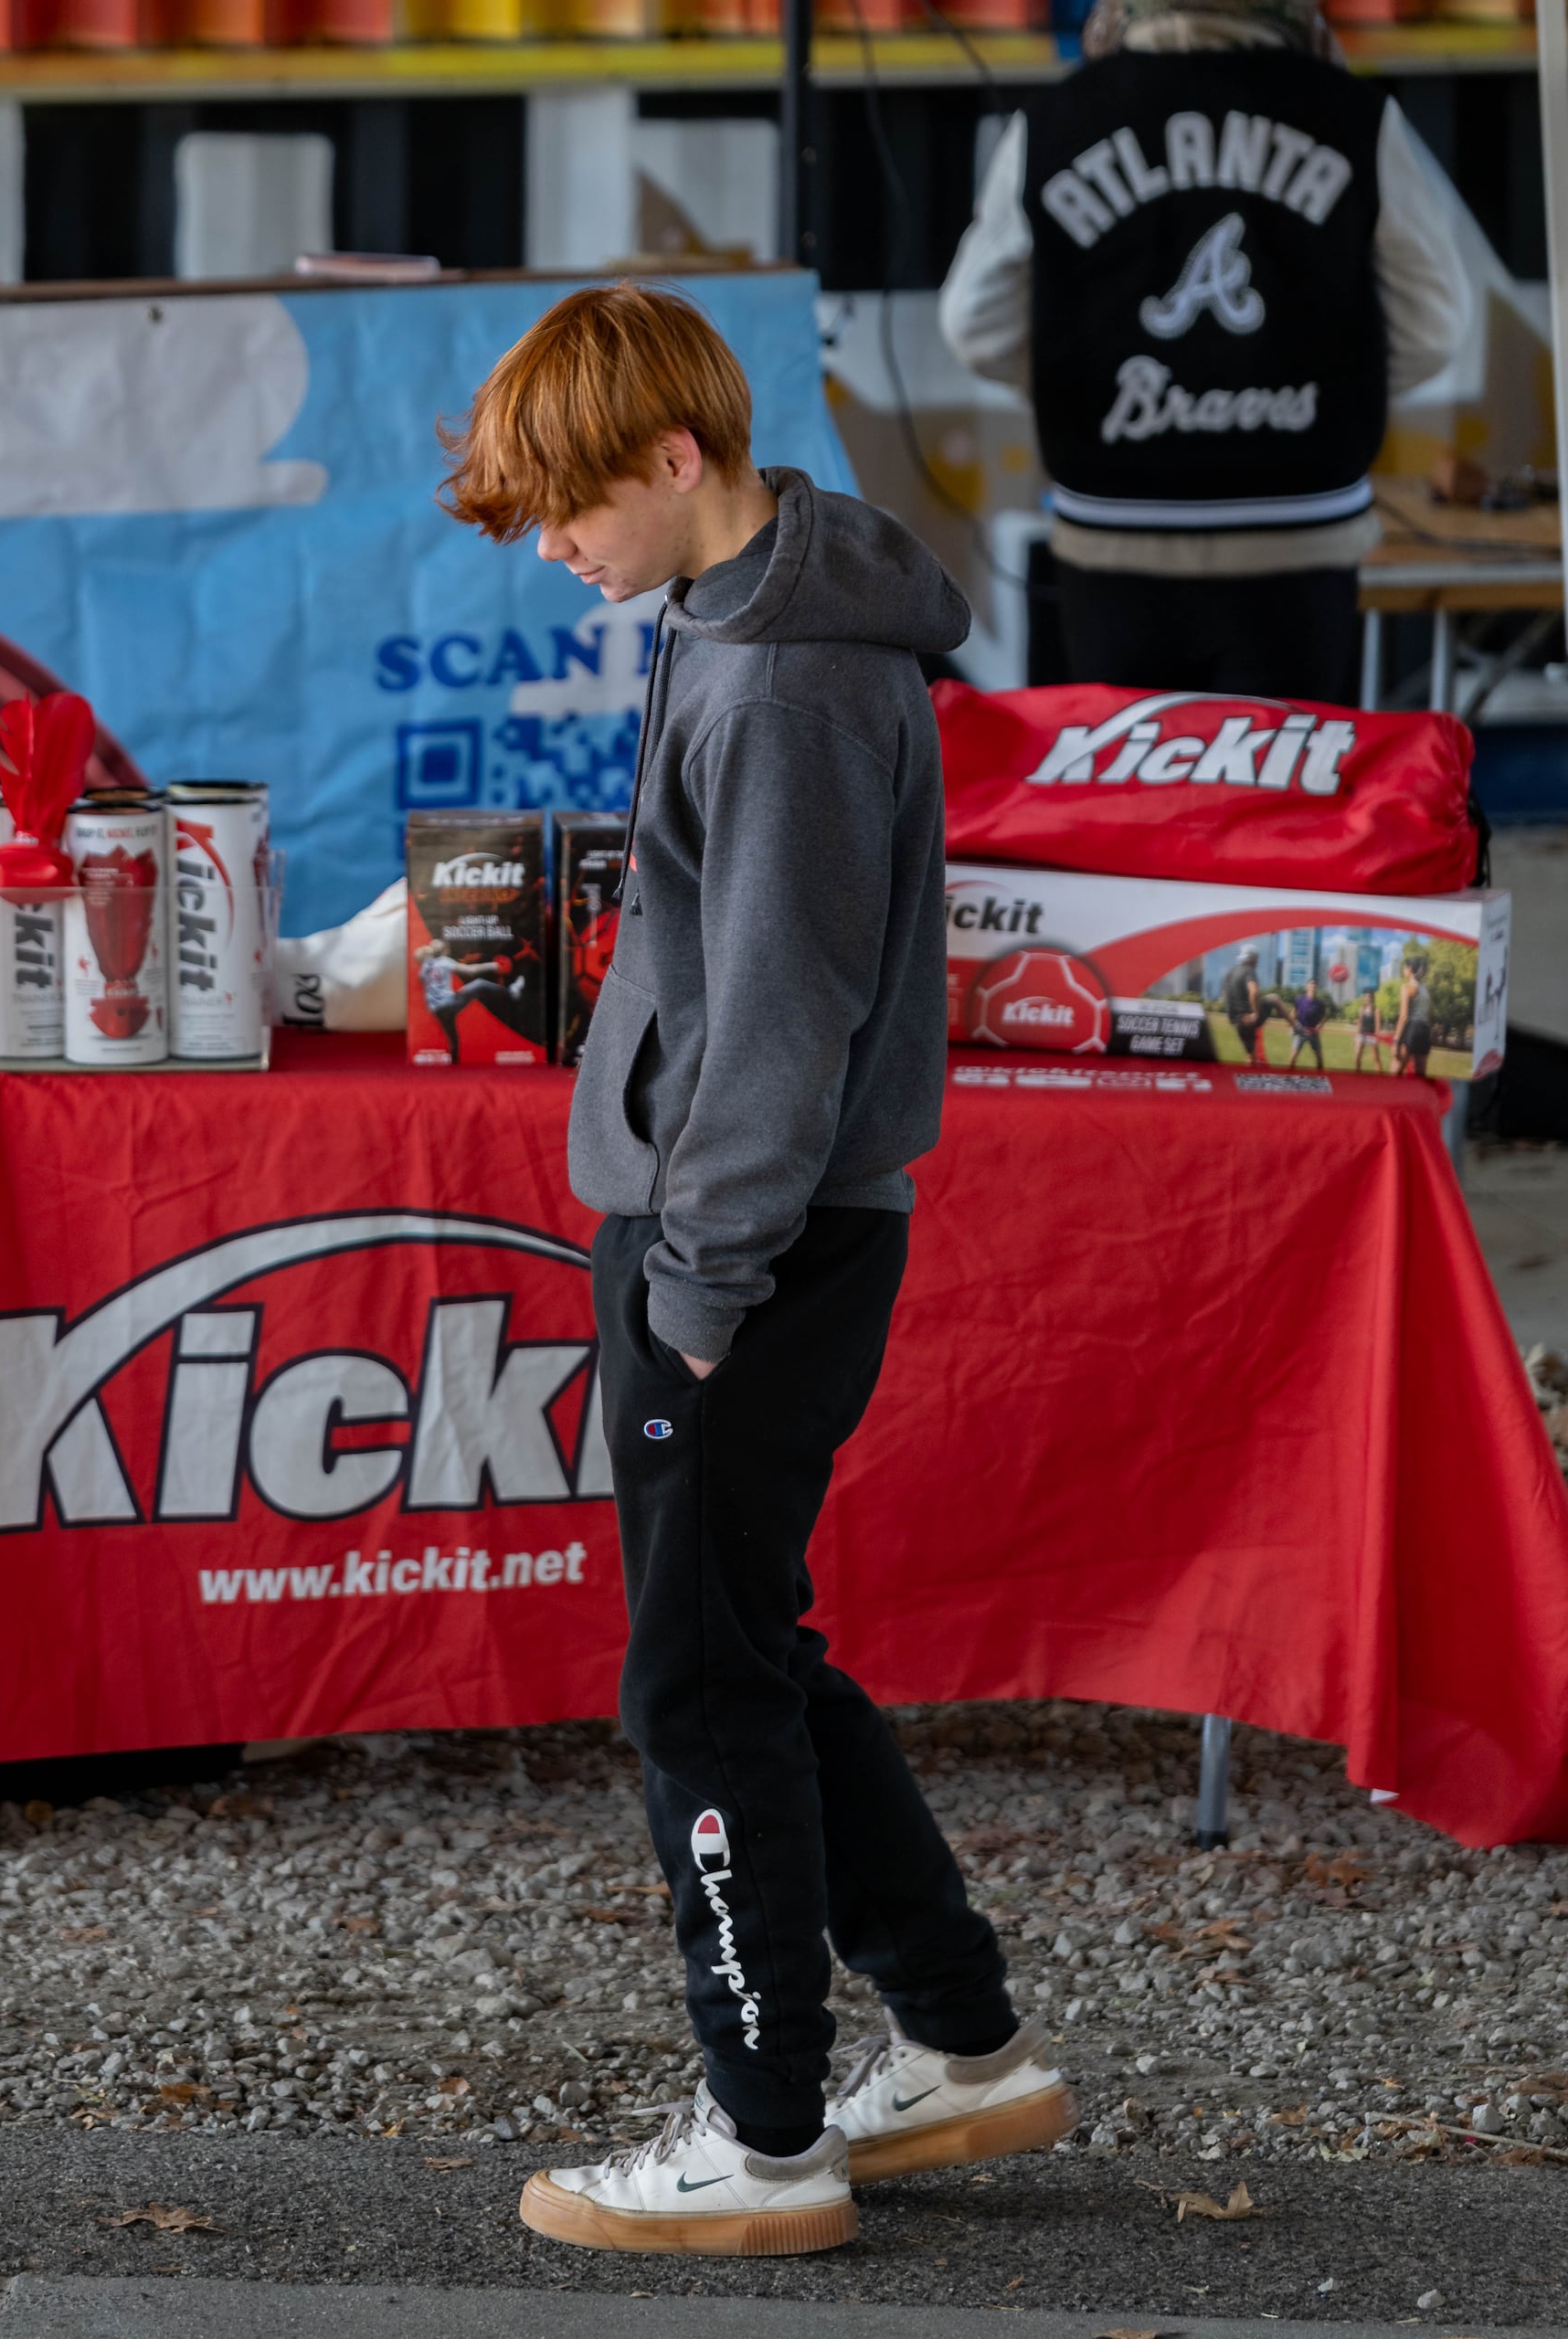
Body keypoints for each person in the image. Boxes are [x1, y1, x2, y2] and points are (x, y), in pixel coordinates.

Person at [440, 282, 1075, 2259]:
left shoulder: (785, 676)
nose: (554, 545)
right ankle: (963, 2045)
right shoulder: (732, 621)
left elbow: (786, 1021)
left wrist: (699, 1287)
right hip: (741, 1219)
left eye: (566, 504)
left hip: (750, 1242)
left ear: (676, 457)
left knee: (699, 1676)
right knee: (752, 1642)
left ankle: (766, 2128)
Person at [936, 0, 1470, 703]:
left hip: (1114, 539)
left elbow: (975, 324)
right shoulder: (1353, 114)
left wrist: (1089, 380)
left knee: (1136, 802)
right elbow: (1433, 325)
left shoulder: (1055, 121)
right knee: (1283, 801)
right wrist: (1328, 380)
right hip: (1297, 540)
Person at [1218, 947, 1271, 1061]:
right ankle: (1296, 1027)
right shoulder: (1249, 970)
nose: (1257, 962)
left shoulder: (1230, 973)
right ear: (1250, 958)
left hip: (1236, 1020)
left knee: (1250, 1055)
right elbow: (1254, 992)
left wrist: (1233, 1017)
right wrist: (1255, 1012)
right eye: (1256, 959)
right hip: (1247, 1018)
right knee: (1274, 999)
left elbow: (1226, 996)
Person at [1394, 965, 1436, 1074]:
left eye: (1404, 968)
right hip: (1425, 1030)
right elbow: (1429, 1016)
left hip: (1412, 1028)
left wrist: (1396, 1041)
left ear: (1410, 969)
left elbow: (1403, 1016)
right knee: (1420, 1074)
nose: (1403, 970)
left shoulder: (1407, 987)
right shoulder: (1426, 990)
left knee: (1398, 1069)